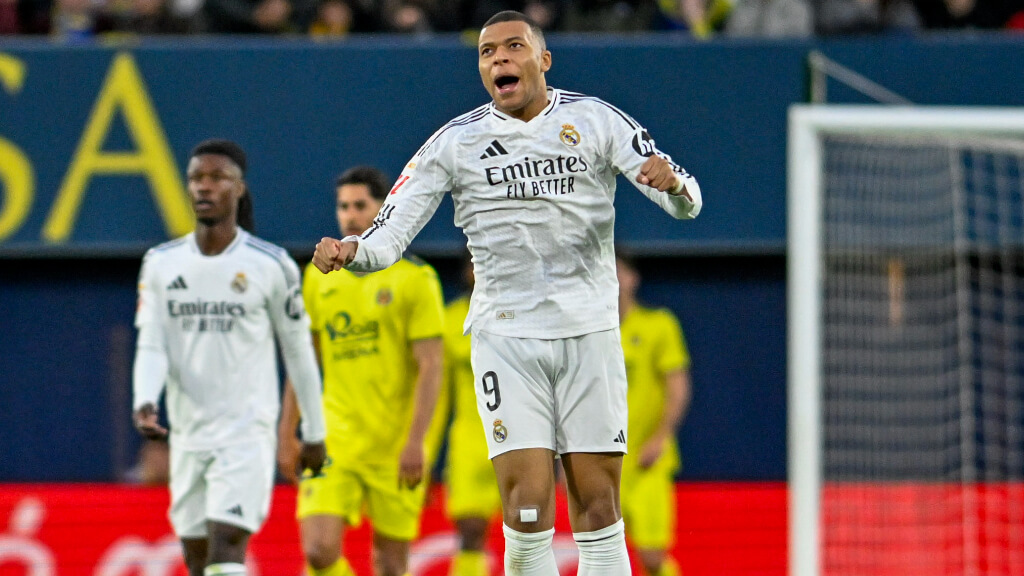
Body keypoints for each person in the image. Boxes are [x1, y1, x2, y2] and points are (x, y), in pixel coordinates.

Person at [312, 10, 702, 576]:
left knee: (598, 505)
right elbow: (390, 233)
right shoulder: (455, 142)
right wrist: (354, 250)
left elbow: (680, 193)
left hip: (588, 332)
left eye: (513, 46)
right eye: (486, 51)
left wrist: (677, 189)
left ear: (543, 60)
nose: (499, 58)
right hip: (507, 337)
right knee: (524, 510)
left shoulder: (594, 120)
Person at [132, 138, 327, 576]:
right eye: (196, 178)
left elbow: (298, 353)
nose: (204, 187)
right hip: (188, 433)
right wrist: (145, 398)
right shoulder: (161, 264)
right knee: (198, 557)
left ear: (239, 189)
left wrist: (313, 430)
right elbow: (151, 342)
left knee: (227, 543)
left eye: (217, 177)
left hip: (246, 432)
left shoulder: (270, 265)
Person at [277, 165, 446, 576]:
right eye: (342, 206)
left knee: (390, 564)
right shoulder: (317, 281)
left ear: (383, 208)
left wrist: (417, 443)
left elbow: (431, 367)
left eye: (360, 205)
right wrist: (286, 433)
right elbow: (304, 362)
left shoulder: (415, 279)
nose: (350, 215)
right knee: (318, 549)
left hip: (394, 444)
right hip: (337, 440)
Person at [615, 251, 692, 576]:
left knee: (651, 555)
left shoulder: (658, 325)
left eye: (619, 272)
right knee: (605, 552)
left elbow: (678, 388)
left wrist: (660, 438)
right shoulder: (588, 334)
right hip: (604, 460)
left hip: (647, 461)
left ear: (633, 278)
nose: (614, 281)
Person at [442, 255, 501, 576]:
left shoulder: (521, 313)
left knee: (527, 533)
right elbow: (438, 395)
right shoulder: (450, 320)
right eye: (475, 262)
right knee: (470, 532)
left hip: (520, 437)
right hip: (469, 440)